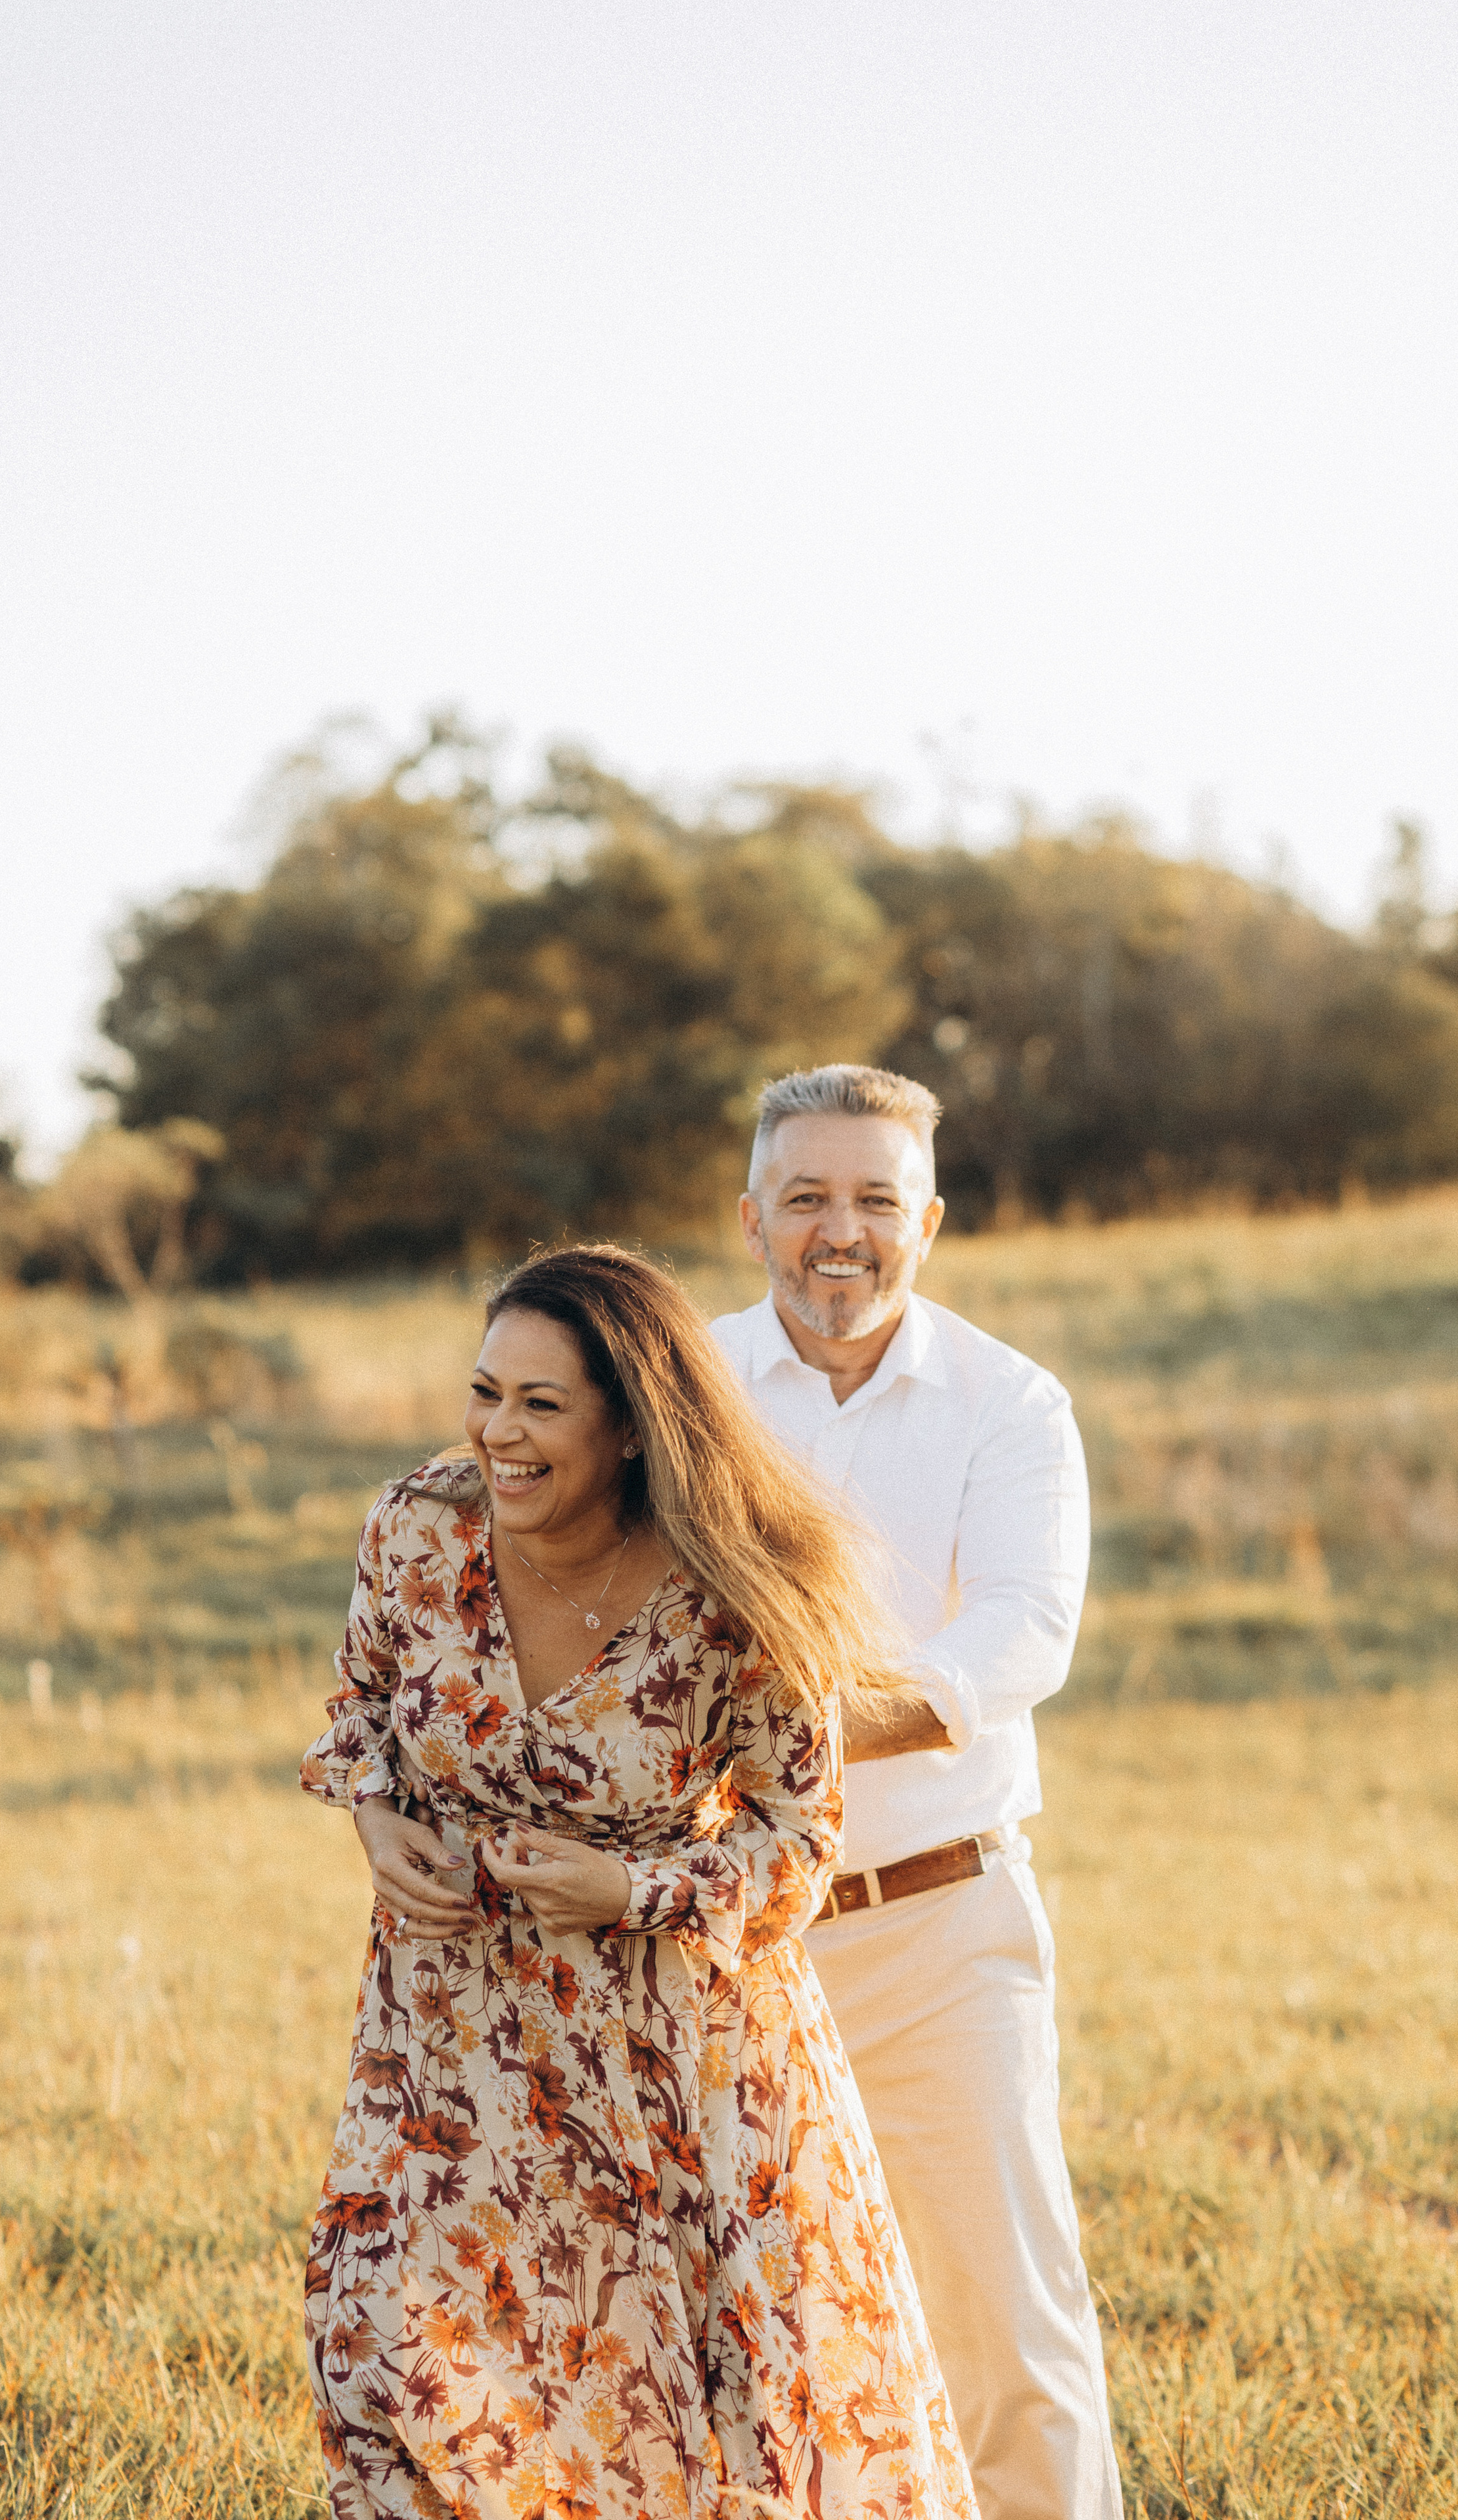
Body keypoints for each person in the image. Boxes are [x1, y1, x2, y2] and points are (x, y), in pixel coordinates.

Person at [300, 1245, 978, 2520]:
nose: (497, 1432)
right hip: (452, 2045)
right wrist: (375, 1820)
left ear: (628, 1426)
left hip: (680, 2064)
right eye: (484, 1391)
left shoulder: (732, 1593)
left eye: (540, 1406)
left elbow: (796, 1835)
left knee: (708, 2424)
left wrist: (631, 1892)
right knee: (387, 2361)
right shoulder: (417, 1529)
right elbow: (364, 1708)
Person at [710, 1065, 1122, 2520]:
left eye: (874, 1200)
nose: (840, 1231)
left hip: (938, 1928)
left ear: (926, 1221)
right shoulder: (676, 1392)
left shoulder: (1007, 1403)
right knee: (753, 2332)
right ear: (750, 1215)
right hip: (722, 1948)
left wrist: (790, 1732)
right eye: (807, 1197)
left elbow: (1019, 1634)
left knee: (1001, 2321)